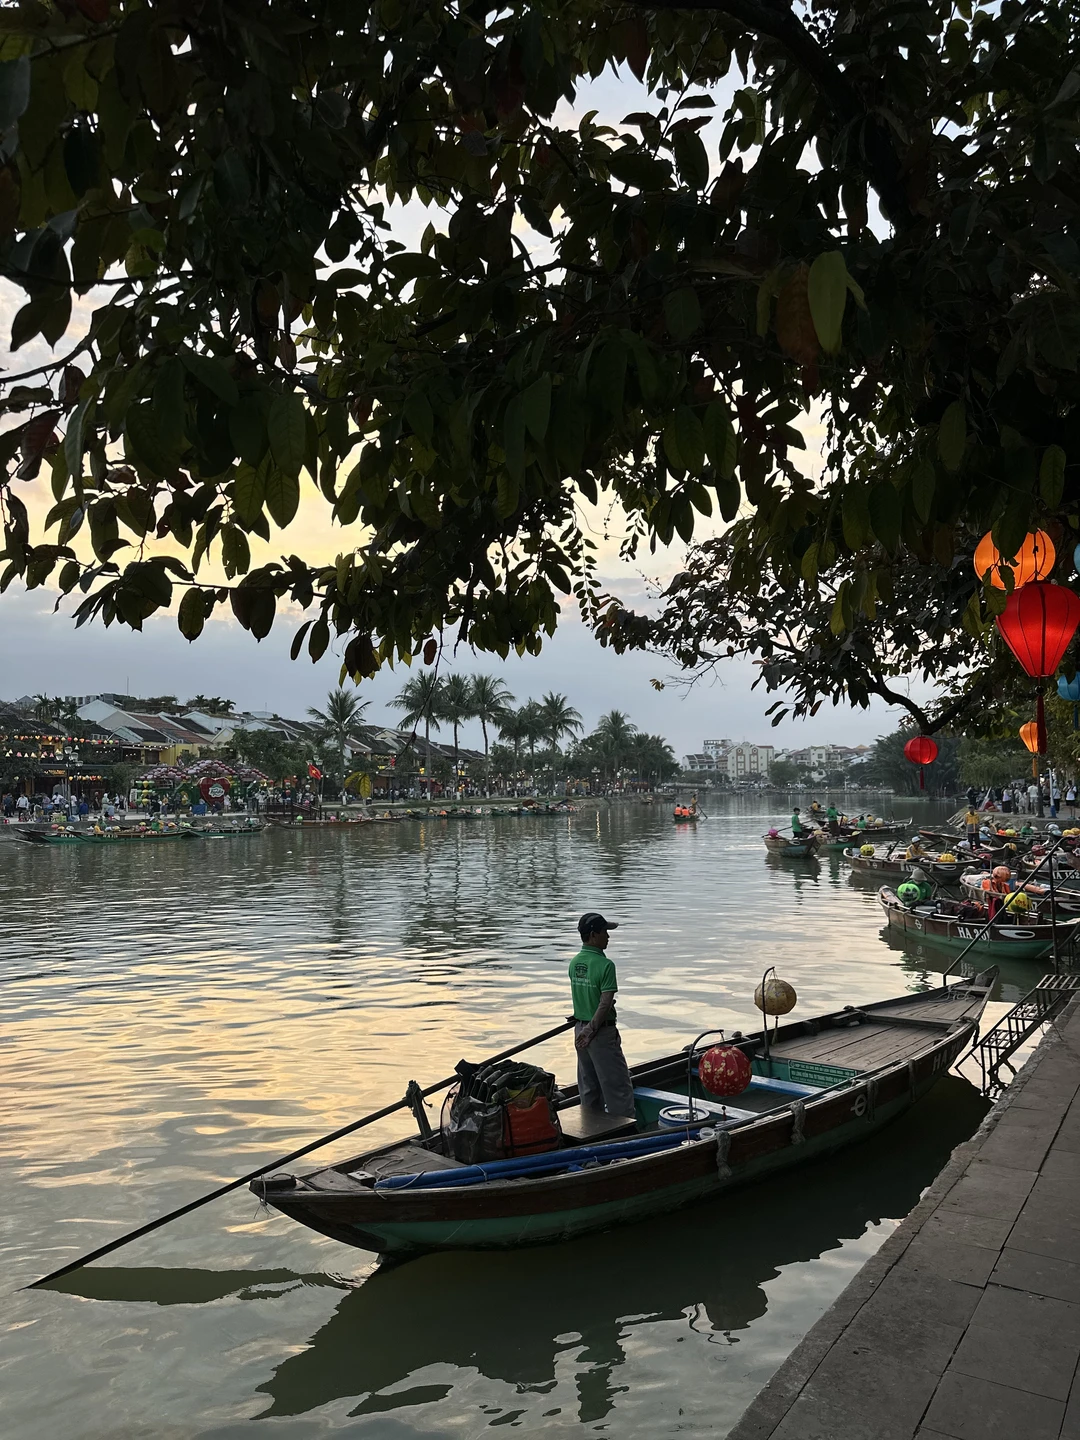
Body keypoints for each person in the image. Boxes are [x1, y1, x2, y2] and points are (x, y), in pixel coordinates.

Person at [569, 911, 635, 1118]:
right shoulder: (606, 965)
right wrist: (591, 1030)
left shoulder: (575, 963)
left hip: (579, 1030)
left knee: (589, 1087)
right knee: (617, 1088)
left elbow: (583, 996)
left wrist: (583, 1027)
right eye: (605, 931)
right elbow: (605, 1003)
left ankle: (591, 1131)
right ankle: (625, 1135)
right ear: (593, 935)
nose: (608, 936)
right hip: (599, 1033)